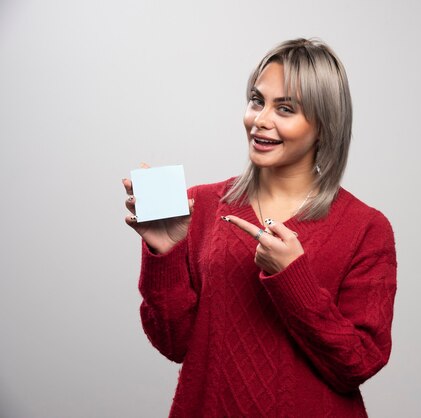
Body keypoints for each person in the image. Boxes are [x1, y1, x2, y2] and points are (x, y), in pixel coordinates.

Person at [122, 38, 397, 417]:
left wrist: (292, 278)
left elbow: (359, 364)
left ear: (325, 125)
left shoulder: (367, 228)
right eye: (257, 101)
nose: (261, 120)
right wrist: (165, 254)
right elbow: (174, 344)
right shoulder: (197, 205)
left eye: (285, 108)